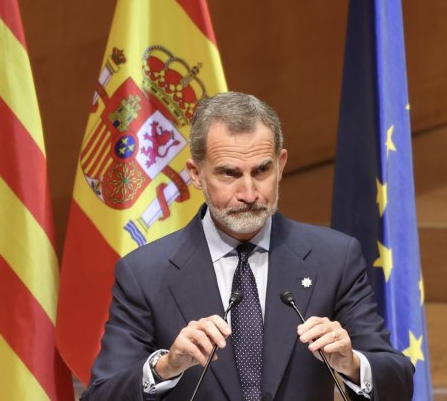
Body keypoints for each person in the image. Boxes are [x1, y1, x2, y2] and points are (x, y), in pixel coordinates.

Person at [80, 91, 414, 400]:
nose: (250, 193)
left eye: (261, 171)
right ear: (196, 174)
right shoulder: (145, 273)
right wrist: (165, 368)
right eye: (229, 174)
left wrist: (352, 363)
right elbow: (102, 393)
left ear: (280, 165)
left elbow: (398, 381)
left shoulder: (333, 258)